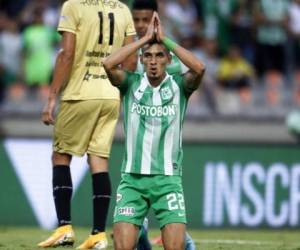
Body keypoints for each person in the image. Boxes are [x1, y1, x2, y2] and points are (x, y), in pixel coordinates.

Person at [38, 0, 136, 249]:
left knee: (61, 156)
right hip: (110, 95)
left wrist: (51, 98)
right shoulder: (122, 9)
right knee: (99, 160)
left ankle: (64, 227)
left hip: (80, 93)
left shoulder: (73, 5)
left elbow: (67, 53)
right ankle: (98, 234)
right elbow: (132, 58)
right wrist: (120, 93)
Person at [103, 13, 205, 250]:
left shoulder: (180, 86)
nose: (153, 61)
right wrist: (145, 39)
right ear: (141, 59)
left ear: (168, 60)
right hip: (132, 181)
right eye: (148, 56)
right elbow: (108, 64)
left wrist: (164, 39)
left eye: (159, 56)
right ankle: (141, 233)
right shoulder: (130, 83)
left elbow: (199, 68)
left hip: (168, 181)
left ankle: (146, 233)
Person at [131, 1, 196, 249]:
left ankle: (183, 240)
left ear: (156, 19)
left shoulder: (166, 56)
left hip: (165, 137)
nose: (140, 25)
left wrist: (165, 40)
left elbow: (192, 73)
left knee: (167, 202)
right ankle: (143, 232)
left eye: (145, 20)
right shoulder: (129, 50)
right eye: (136, 19)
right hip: (137, 132)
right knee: (134, 187)